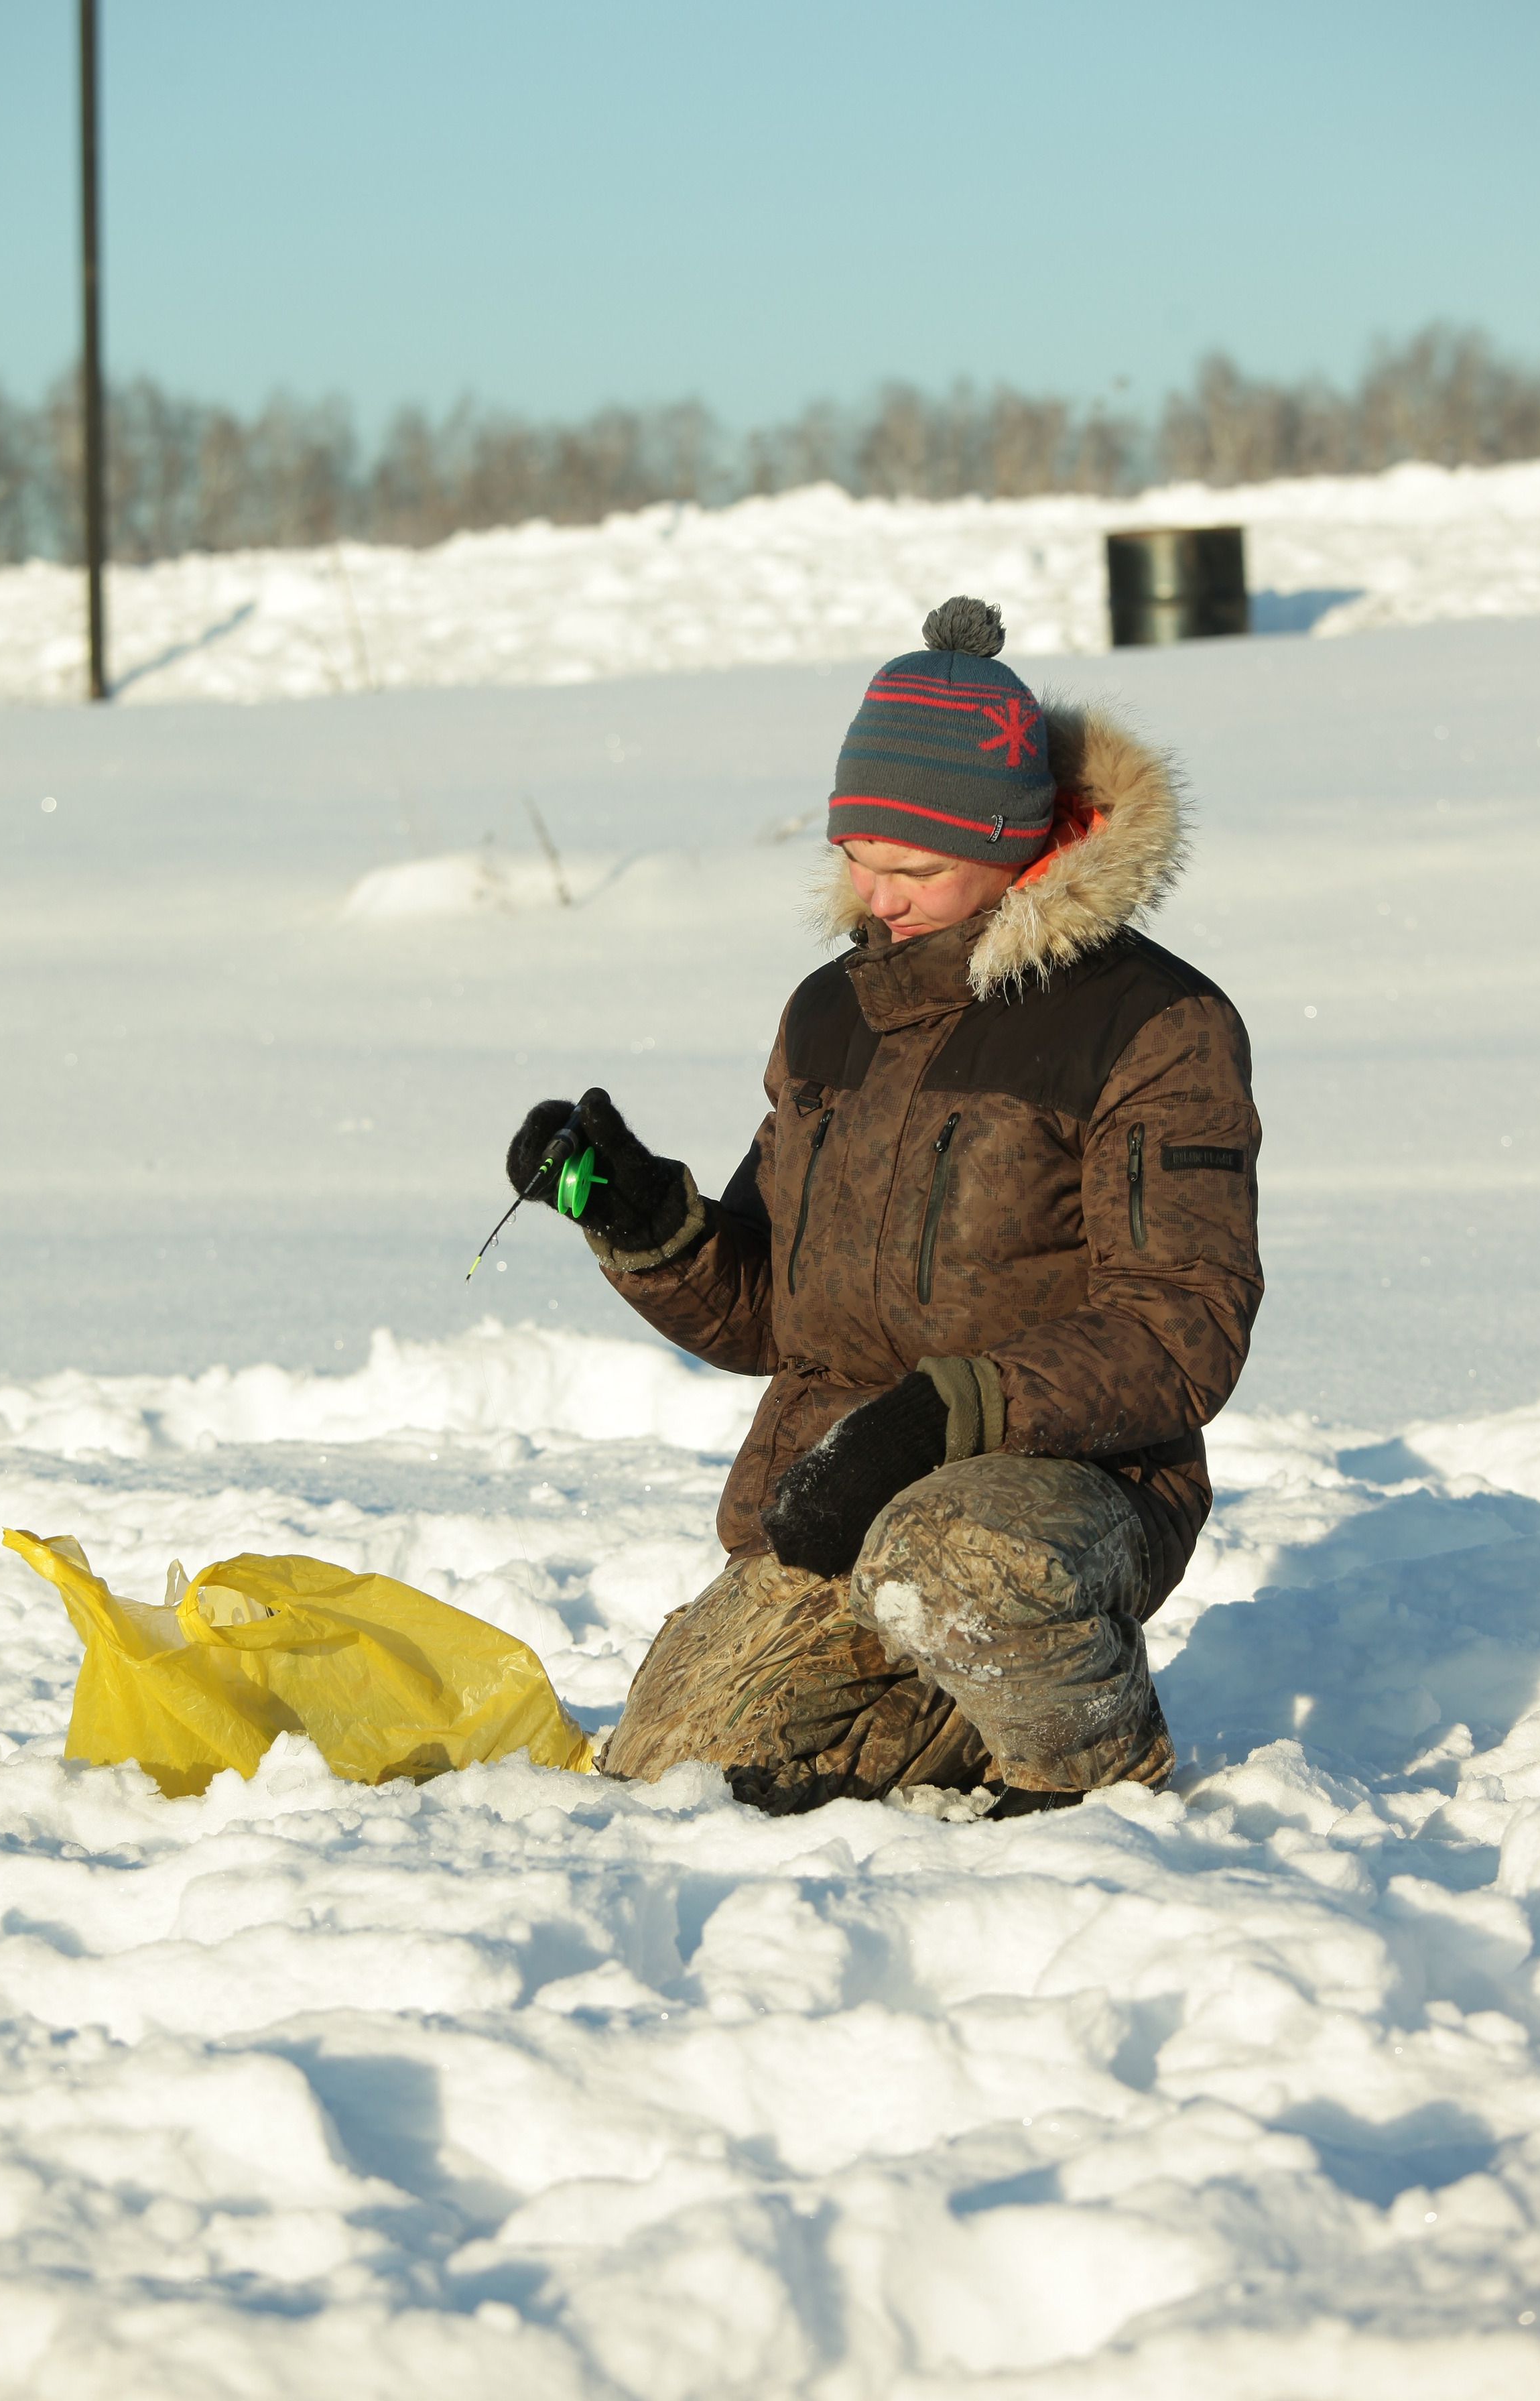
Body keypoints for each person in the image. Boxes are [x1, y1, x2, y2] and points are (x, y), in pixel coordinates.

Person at [505, 596, 1263, 1815]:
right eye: (857, 853)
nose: (876, 894)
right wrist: (643, 1221)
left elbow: (1185, 1327)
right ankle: (943, 1705)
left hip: (1068, 1485)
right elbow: (773, 1311)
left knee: (950, 1561)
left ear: (1021, 849)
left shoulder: (1155, 1025)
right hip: (833, 1488)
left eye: (913, 868)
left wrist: (945, 1413)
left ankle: (1097, 1763)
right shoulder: (830, 1011)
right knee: (675, 1766)